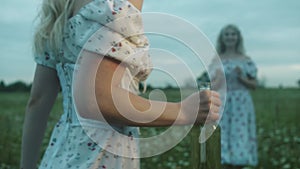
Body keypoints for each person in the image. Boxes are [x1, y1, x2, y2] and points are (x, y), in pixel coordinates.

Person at [20, 0, 222, 168]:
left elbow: (37, 102)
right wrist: (183, 111)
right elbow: (98, 100)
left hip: (60, 154)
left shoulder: (58, 18)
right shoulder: (113, 5)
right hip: (101, 155)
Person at [213, 24, 258, 169]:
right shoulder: (217, 59)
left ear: (238, 38)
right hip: (223, 100)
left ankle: (239, 162)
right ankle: (225, 162)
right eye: (227, 34)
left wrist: (241, 77)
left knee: (240, 133)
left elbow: (254, 85)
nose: (230, 37)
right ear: (222, 38)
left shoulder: (245, 59)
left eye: (233, 34)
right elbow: (212, 86)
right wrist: (220, 79)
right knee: (223, 133)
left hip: (241, 103)